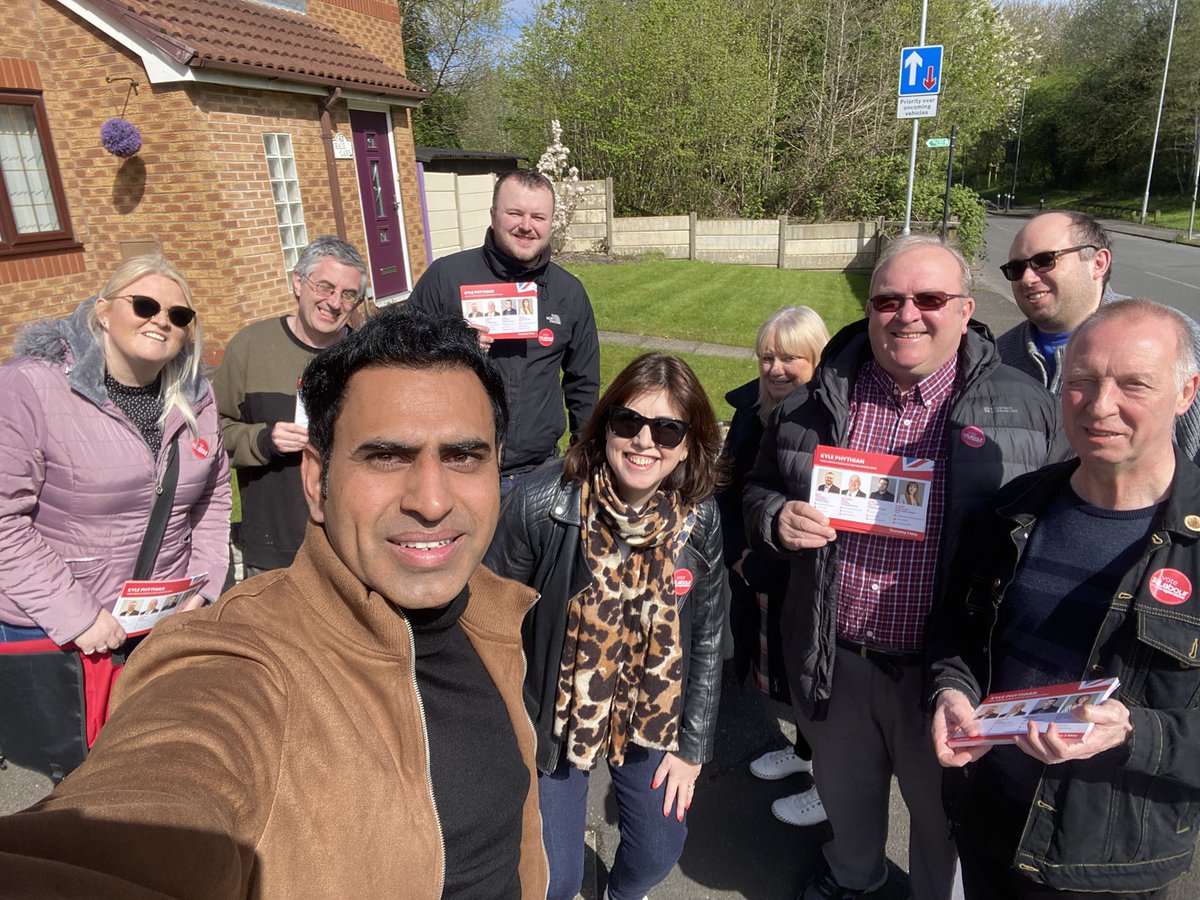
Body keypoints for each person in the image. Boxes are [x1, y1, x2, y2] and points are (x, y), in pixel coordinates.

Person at [0, 306, 549, 897]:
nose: (432, 500)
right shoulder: (240, 662)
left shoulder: (494, 611)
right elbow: (152, 795)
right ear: (316, 480)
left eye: (463, 456)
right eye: (387, 456)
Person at [745, 235, 1062, 900]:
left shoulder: (1025, 407)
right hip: (835, 658)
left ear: (966, 308)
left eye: (929, 298)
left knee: (941, 825)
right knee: (846, 799)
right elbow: (758, 486)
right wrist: (776, 518)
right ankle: (852, 878)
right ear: (868, 307)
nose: (907, 314)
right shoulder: (815, 399)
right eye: (888, 299)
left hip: (946, 674)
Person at [931, 299, 1200, 899]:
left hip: (1106, 863)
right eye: (1081, 382)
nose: (1101, 406)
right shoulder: (1012, 509)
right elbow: (956, 630)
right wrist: (953, 689)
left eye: (1134, 384)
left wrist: (1133, 731)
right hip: (987, 823)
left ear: (1186, 392)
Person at [485, 353, 727, 900]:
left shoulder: (701, 516)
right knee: (556, 880)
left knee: (657, 851)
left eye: (667, 429)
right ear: (605, 424)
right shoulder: (542, 502)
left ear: (689, 443)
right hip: (554, 717)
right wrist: (506, 732)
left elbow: (709, 634)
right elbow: (490, 623)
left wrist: (693, 747)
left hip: (650, 712)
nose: (644, 442)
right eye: (628, 422)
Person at [0, 254, 229, 655]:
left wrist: (202, 589)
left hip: (161, 624)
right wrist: (77, 615)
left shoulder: (197, 398)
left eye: (178, 315)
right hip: (50, 629)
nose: (161, 320)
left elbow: (214, 497)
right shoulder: (29, 386)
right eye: (144, 305)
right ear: (103, 312)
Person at [406, 169, 601, 497]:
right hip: (458, 469)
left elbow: (583, 383)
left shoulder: (568, 293)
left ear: (551, 222)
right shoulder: (447, 277)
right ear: (493, 215)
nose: (526, 225)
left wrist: (585, 456)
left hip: (540, 473)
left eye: (538, 216)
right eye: (515, 213)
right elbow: (397, 353)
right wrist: (452, 343)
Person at [718, 306, 831, 828]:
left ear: (818, 359)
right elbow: (731, 488)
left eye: (792, 358)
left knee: (817, 678)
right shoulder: (750, 409)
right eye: (768, 357)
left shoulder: (835, 419)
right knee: (782, 673)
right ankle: (805, 754)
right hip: (755, 567)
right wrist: (739, 554)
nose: (776, 369)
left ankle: (830, 787)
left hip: (812, 577)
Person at [213, 236, 367, 578]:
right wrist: (263, 439)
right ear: (298, 282)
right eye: (324, 287)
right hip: (274, 546)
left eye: (347, 294)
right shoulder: (250, 348)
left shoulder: (367, 357)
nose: (334, 302)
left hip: (353, 545)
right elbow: (210, 434)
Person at [996, 210, 1200, 461]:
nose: (1027, 278)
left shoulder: (1174, 339)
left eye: (1045, 260)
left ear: (1098, 263)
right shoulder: (998, 358)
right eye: (1016, 268)